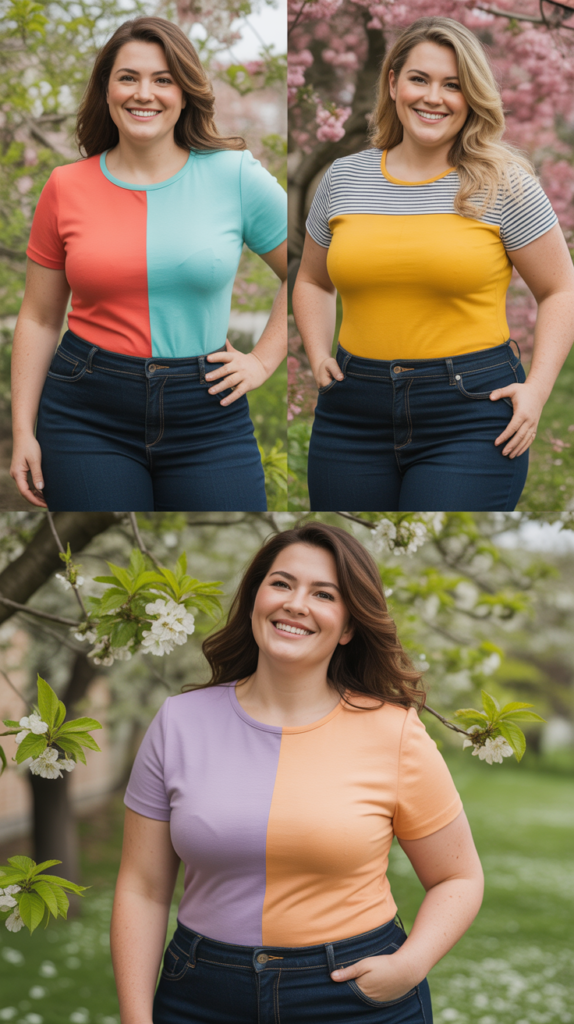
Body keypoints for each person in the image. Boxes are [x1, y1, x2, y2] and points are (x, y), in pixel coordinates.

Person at [111, 522, 484, 1024]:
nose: (296, 604)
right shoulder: (179, 721)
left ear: (348, 627)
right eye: (281, 584)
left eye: (324, 594)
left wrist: (409, 965)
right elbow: (142, 888)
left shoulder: (394, 732)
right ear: (255, 600)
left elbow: (458, 876)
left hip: (353, 997)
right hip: (200, 994)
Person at [293, 17, 574, 512]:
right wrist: (318, 356)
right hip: (351, 411)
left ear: (472, 96)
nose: (433, 97)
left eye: (453, 85)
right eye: (419, 79)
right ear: (393, 82)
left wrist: (537, 390)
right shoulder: (345, 178)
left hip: (471, 412)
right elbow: (313, 280)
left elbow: (560, 290)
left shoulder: (505, 183)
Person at [10, 16, 287, 512]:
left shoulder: (235, 175)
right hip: (85, 412)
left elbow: (313, 270)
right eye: (128, 77)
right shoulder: (65, 186)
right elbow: (39, 317)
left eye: (163, 79)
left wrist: (263, 359)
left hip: (209, 411)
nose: (145, 93)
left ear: (185, 93)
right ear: (106, 89)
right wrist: (22, 431)